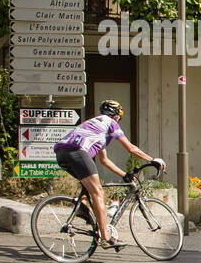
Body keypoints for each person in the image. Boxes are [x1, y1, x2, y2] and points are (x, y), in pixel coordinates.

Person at [53, 100, 166, 247]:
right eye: (119, 116)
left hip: (62, 154)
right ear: (116, 115)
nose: (119, 119)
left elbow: (104, 160)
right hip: (77, 152)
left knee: (90, 188)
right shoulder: (110, 123)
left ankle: (83, 209)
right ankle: (105, 237)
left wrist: (123, 174)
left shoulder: (96, 126)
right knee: (98, 192)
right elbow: (131, 148)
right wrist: (153, 160)